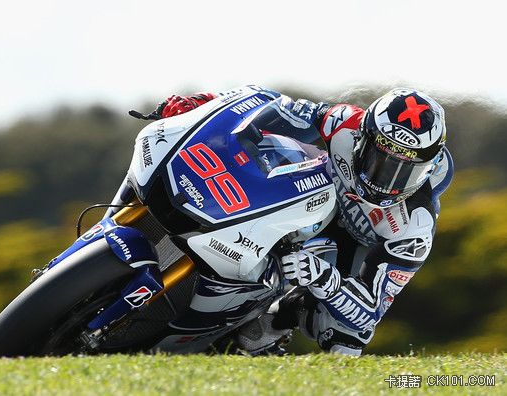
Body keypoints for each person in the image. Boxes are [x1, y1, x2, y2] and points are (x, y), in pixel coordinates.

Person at [148, 86, 454, 356]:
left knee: (345, 340)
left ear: (429, 166)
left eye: (405, 169)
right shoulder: (344, 122)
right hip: (312, 202)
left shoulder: (415, 227)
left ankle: (265, 330)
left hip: (354, 252)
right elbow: (268, 105)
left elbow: (369, 315)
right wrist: (201, 103)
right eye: (380, 159)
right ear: (363, 136)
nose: (386, 180)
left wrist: (325, 280)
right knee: (273, 149)